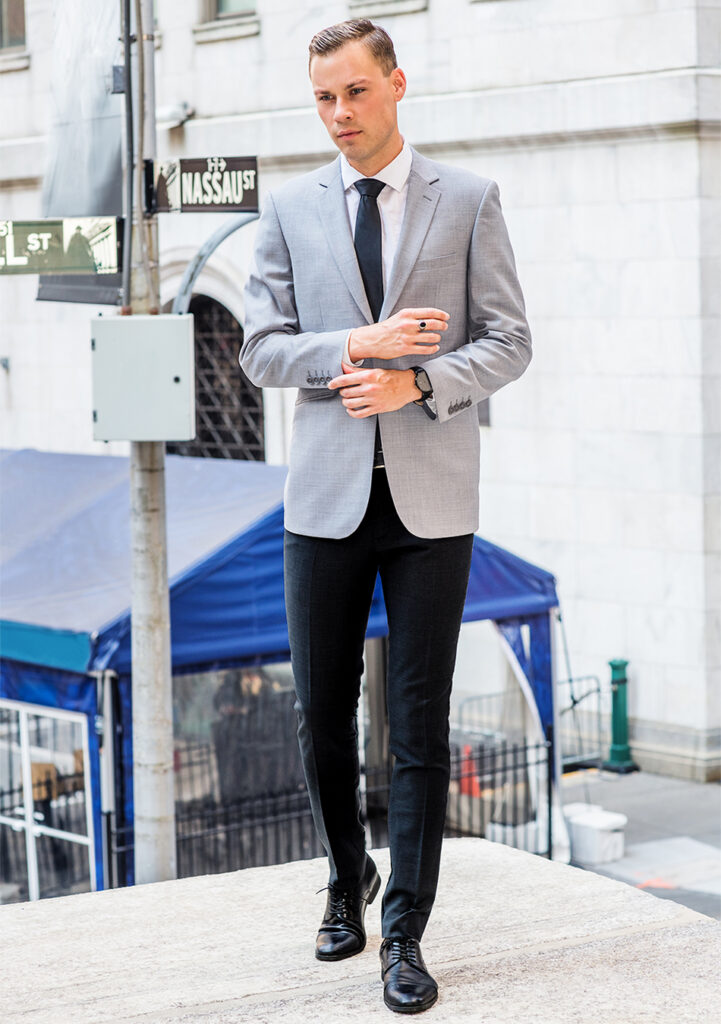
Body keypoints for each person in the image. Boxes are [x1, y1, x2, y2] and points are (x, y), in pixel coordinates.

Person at [241, 18, 531, 1014]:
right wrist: (359, 345)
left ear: (395, 85)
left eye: (354, 94)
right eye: (323, 98)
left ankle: (402, 932)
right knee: (319, 716)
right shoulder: (287, 209)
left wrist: (420, 387)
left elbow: (509, 341)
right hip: (321, 504)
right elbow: (261, 352)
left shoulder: (469, 201)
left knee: (416, 724)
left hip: (431, 505)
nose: (338, 116)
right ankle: (343, 876)